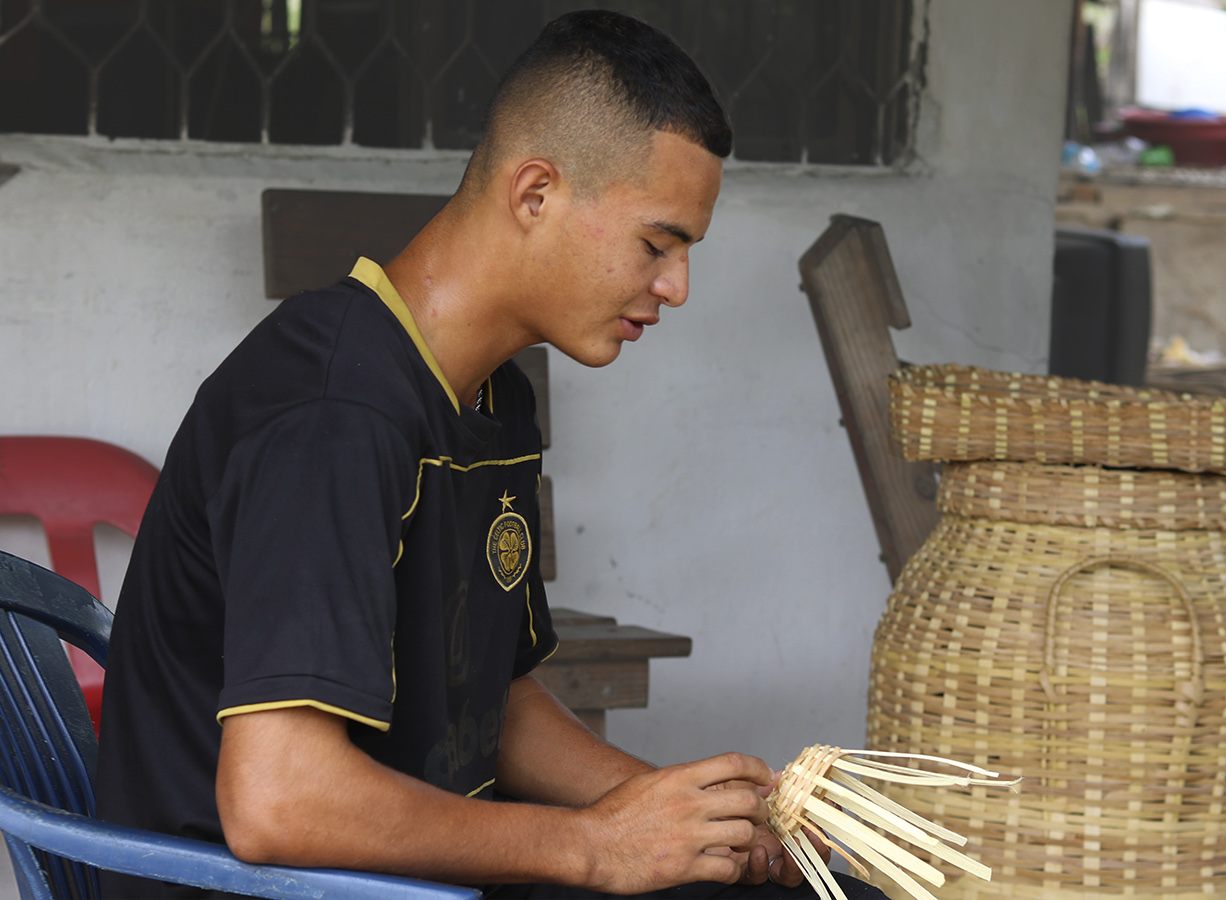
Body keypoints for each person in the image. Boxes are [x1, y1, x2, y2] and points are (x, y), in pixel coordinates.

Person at [95, 11, 883, 900]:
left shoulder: (492, 398)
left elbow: (487, 703)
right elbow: (278, 802)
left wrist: (680, 817)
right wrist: (597, 846)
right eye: (656, 243)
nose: (676, 287)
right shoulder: (333, 412)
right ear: (535, 193)